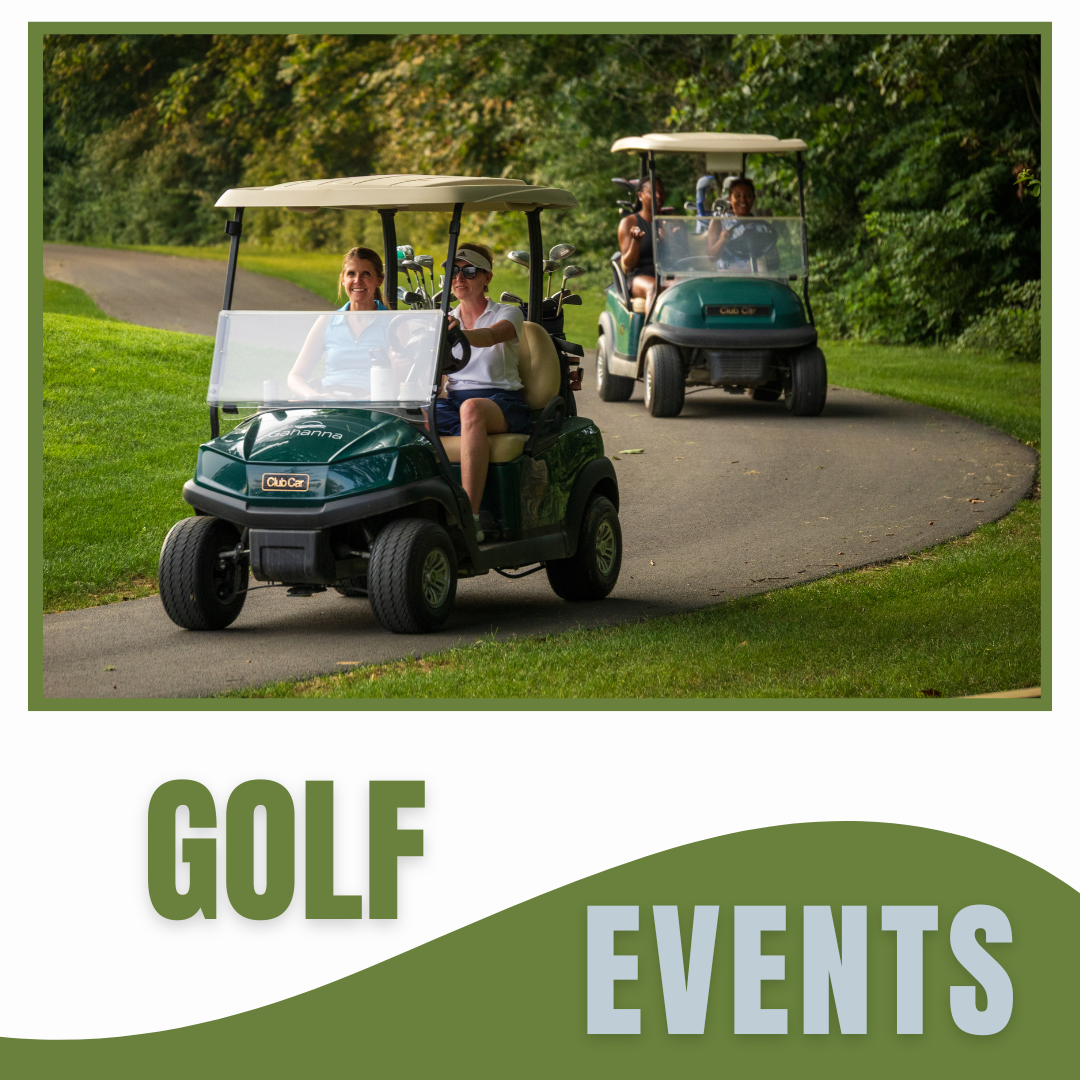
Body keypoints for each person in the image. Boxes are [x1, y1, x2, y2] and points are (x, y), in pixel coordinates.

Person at [435, 242, 532, 542]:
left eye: (469, 271)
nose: (459, 278)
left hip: (500, 402)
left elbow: (491, 337)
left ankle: (470, 518)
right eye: (454, 272)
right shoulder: (445, 318)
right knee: (410, 414)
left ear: (487, 277)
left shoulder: (508, 313)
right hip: (455, 402)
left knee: (472, 410)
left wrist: (457, 334)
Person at [288, 246, 391, 399]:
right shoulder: (327, 320)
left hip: (374, 406)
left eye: (366, 274)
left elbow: (402, 380)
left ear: (379, 280)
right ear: (343, 279)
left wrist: (366, 401)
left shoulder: (394, 323)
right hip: (330, 403)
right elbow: (296, 376)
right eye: (351, 274)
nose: (357, 280)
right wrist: (314, 396)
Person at [706, 177, 778, 272]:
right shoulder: (719, 222)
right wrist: (721, 240)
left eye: (747, 196)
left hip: (756, 279)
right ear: (730, 199)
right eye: (737, 196)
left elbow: (775, 264)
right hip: (727, 280)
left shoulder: (762, 226)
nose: (743, 200)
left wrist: (769, 248)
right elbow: (711, 257)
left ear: (753, 198)